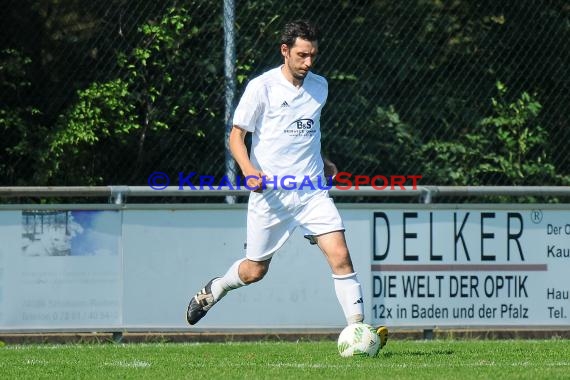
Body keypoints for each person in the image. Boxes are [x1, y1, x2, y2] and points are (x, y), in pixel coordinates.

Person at [186, 20, 387, 346]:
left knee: (340, 256)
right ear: (285, 51)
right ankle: (217, 287)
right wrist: (249, 171)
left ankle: (358, 330)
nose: (308, 63)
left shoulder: (320, 86)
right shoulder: (261, 87)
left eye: (313, 56)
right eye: (302, 55)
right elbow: (236, 138)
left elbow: (307, 131)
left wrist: (323, 161)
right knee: (254, 271)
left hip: (311, 192)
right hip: (271, 196)